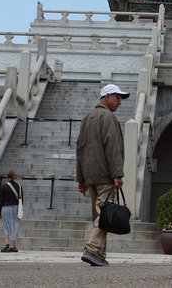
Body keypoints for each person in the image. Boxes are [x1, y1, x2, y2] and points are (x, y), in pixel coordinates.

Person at [76, 83, 129, 267]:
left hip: (90, 176)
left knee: (100, 215)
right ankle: (92, 249)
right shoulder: (108, 117)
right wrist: (118, 174)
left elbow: (80, 150)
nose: (120, 103)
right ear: (107, 97)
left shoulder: (87, 118)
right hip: (105, 175)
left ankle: (99, 254)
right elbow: (113, 148)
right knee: (103, 215)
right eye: (117, 98)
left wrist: (81, 179)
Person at [0, 170, 24, 252]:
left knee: (6, 226)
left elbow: (0, 200)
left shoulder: (4, 186)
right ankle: (14, 246)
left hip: (6, 208)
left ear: (8, 177)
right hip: (15, 208)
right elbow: (21, 200)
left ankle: (7, 245)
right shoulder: (19, 186)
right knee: (15, 225)